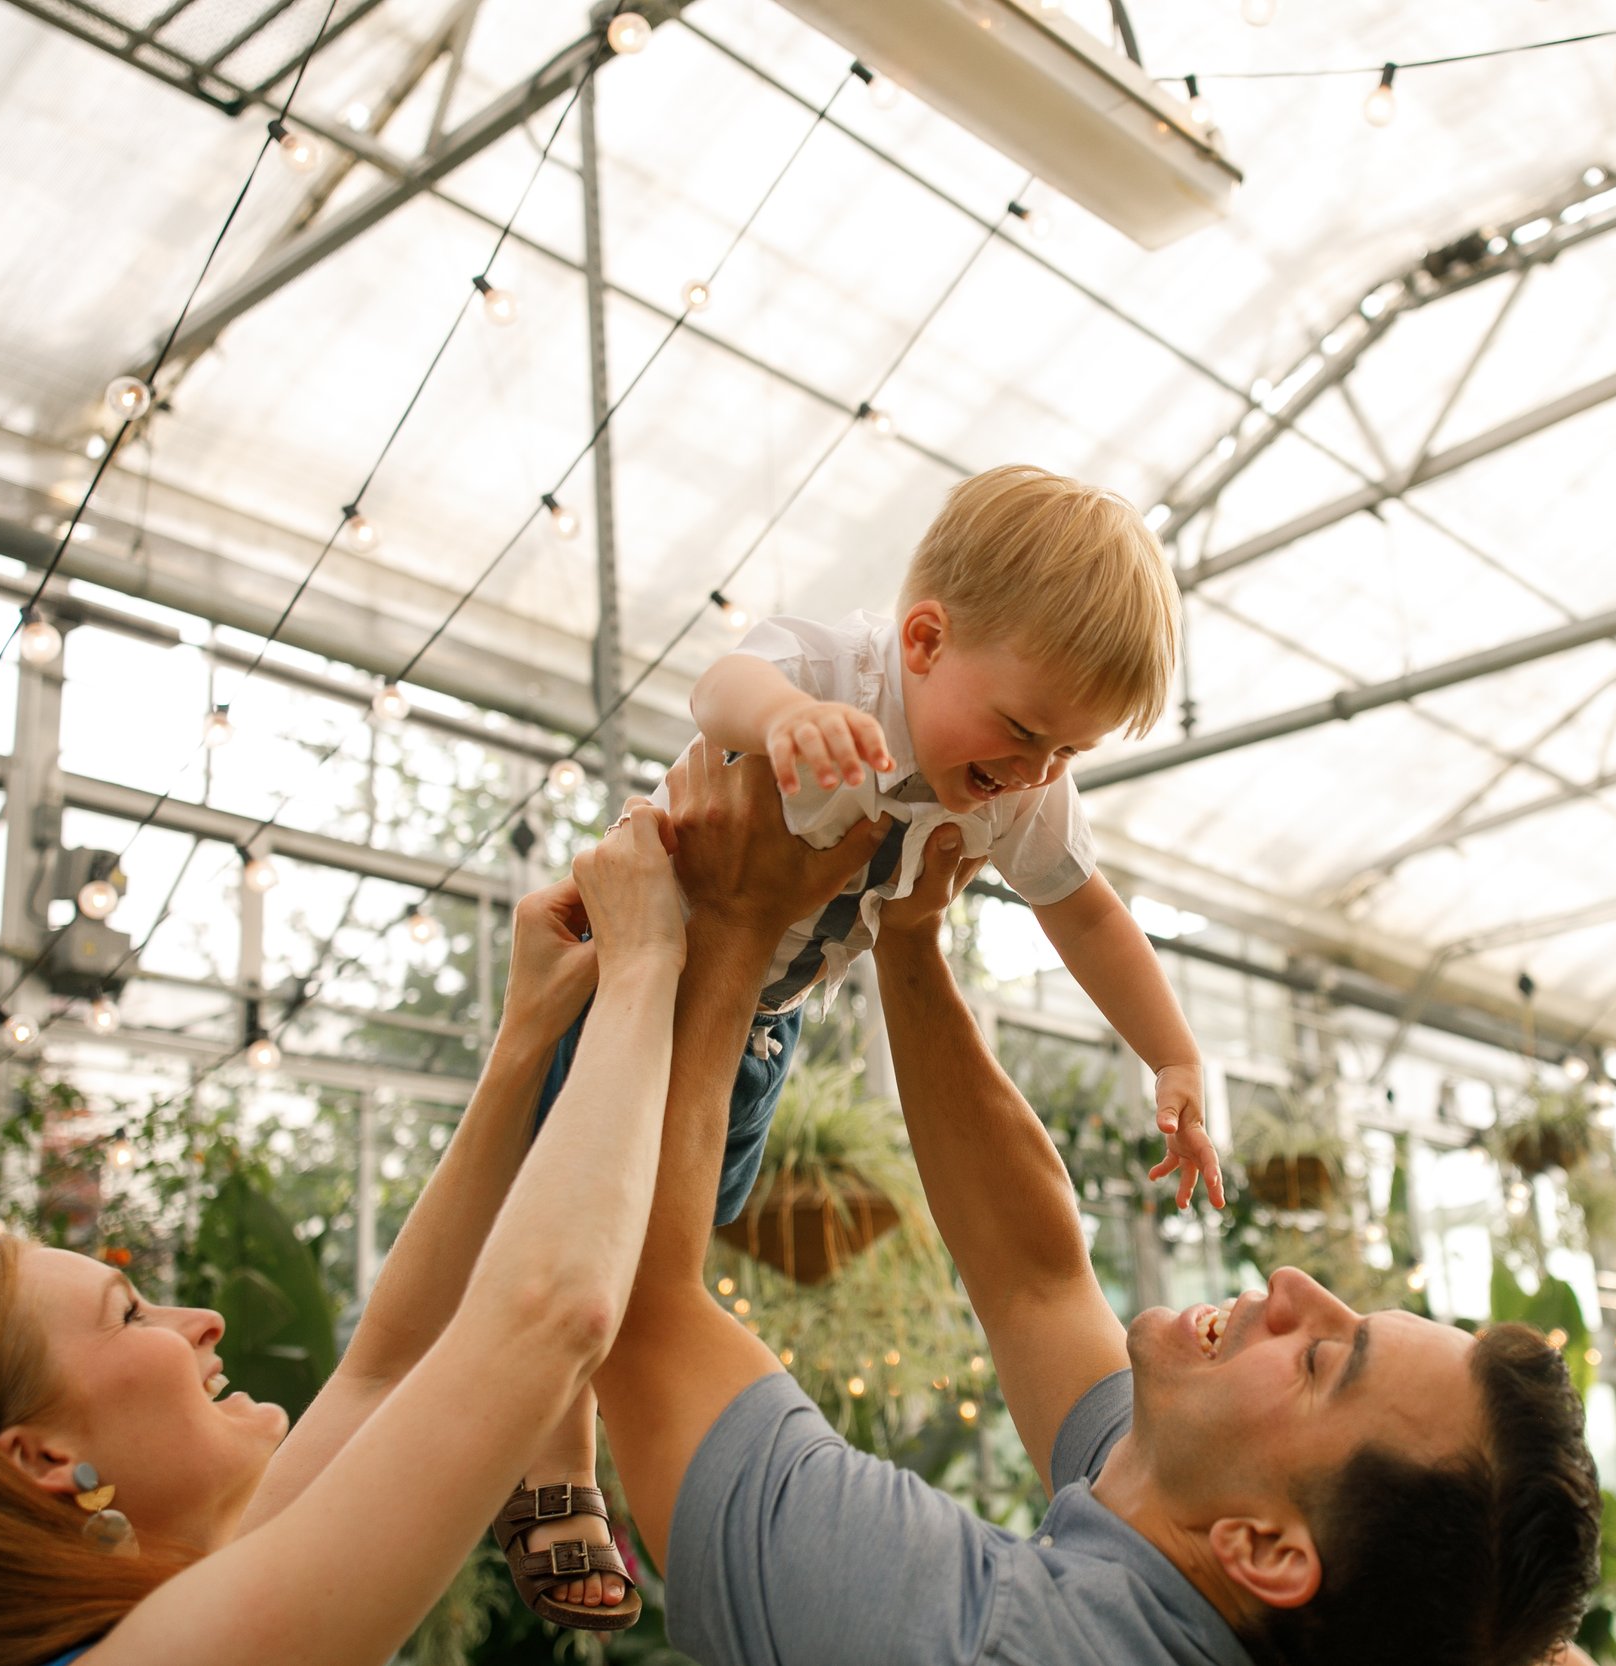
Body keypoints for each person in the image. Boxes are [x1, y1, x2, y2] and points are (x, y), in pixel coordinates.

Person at [0, 802, 874, 1666]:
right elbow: (548, 1317)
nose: (197, 1318)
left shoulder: (187, 1611)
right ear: (44, 1458)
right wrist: (649, 964)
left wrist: (529, 1034)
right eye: (128, 1313)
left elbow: (389, 1360)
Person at [592, 744, 1604, 1666]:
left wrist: (730, 927)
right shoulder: (1198, 1552)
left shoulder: (992, 1644)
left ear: (1261, 1548)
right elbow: (1034, 1282)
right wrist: (910, 941)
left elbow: (636, 1305)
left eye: (1320, 1358)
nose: (1293, 1286)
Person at [510, 463, 1227, 1610]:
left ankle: (569, 1412)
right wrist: (786, 721)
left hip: (755, 1027)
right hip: (635, 982)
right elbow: (718, 684)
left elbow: (1085, 910)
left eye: (1068, 757)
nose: (1035, 775)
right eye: (1026, 732)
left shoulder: (1017, 786)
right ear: (926, 639)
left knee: (684, 1223)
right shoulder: (841, 673)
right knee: (592, 1220)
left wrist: (1172, 1052)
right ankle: (556, 1462)